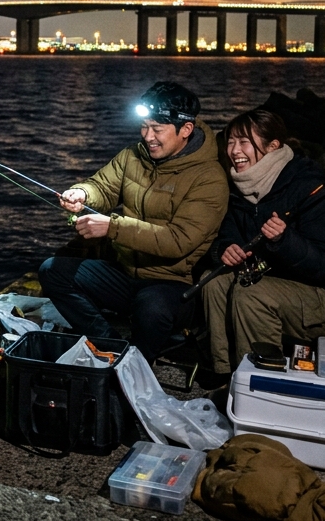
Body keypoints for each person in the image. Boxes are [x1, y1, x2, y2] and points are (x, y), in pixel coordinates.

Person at [39, 82, 228, 360]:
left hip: (176, 286)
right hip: (125, 274)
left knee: (151, 307)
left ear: (185, 130)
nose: (148, 136)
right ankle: (111, 346)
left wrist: (112, 227)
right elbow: (102, 187)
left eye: (157, 129)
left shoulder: (210, 178)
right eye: (144, 126)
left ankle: (137, 368)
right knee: (52, 270)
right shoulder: (132, 156)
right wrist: (81, 192)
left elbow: (177, 241)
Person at [203, 109, 325, 374]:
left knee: (251, 295)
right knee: (214, 282)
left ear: (273, 146)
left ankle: (262, 379)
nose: (234, 150)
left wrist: (285, 240)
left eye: (244, 142)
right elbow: (229, 233)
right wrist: (226, 250)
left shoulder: (309, 187)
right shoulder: (242, 189)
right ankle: (226, 374)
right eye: (230, 141)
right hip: (282, 284)